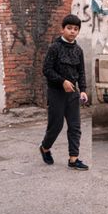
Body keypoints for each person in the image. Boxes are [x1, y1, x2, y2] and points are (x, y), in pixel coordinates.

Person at [38, 14, 89, 170]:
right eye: (69, 28)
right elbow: (46, 69)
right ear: (63, 29)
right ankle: (45, 148)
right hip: (56, 93)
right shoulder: (55, 48)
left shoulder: (78, 50)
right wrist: (62, 81)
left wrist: (83, 90)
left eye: (76, 29)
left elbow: (81, 72)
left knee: (75, 127)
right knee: (56, 126)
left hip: (72, 94)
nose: (72, 31)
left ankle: (73, 159)